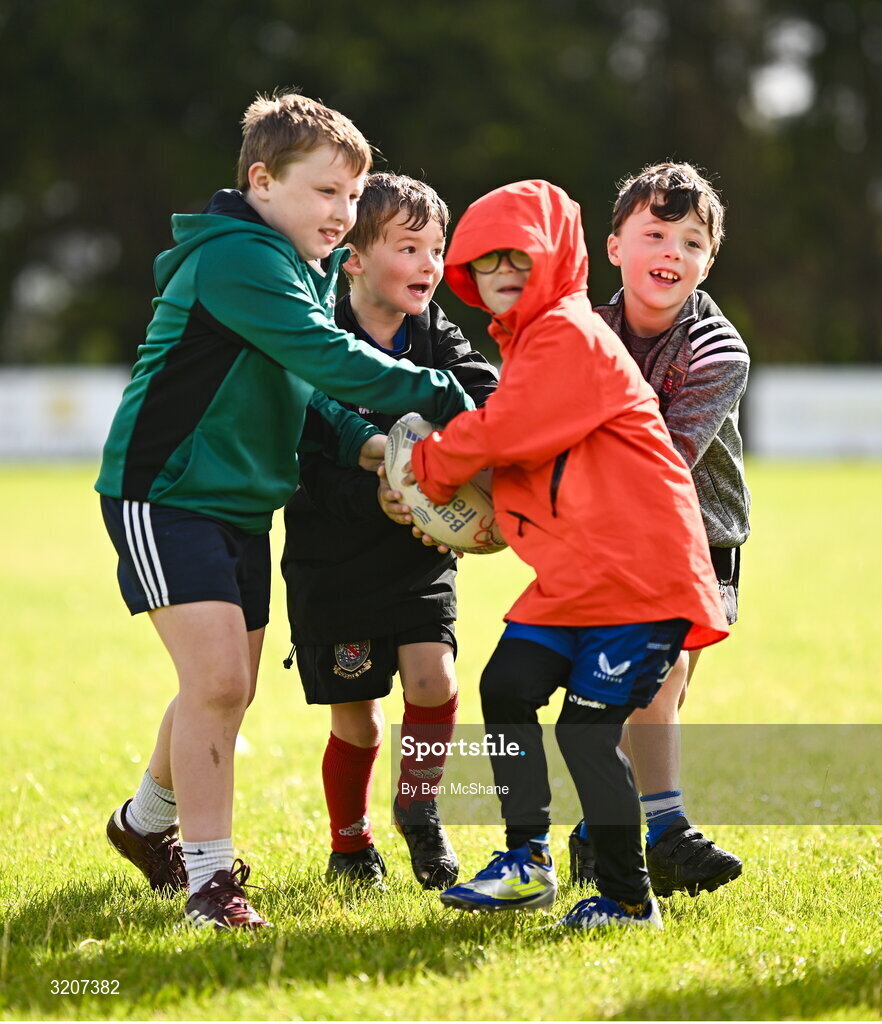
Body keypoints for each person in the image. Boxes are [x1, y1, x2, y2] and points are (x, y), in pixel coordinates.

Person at [96, 92, 473, 930]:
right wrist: (458, 404)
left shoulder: (289, 262)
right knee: (221, 682)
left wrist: (378, 451)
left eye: (351, 195)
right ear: (262, 181)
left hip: (236, 504)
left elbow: (308, 395)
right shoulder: (240, 259)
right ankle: (210, 883)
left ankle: (145, 823)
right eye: (324, 192)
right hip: (165, 494)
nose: (342, 212)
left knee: (222, 685)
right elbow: (332, 360)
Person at [406, 179, 729, 931]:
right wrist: (461, 507)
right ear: (470, 280)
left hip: (641, 581)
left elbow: (509, 431)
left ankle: (626, 899)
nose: (507, 270)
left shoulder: (568, 334)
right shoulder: (528, 344)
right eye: (488, 263)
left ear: (560, 257)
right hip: (578, 579)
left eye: (523, 254)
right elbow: (523, 461)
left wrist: (426, 466)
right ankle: (527, 860)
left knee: (586, 734)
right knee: (507, 687)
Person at [281, 172, 498, 891]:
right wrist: (371, 497)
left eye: (437, 249)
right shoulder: (316, 341)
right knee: (360, 724)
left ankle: (421, 813)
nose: (431, 266)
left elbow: (485, 393)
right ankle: (350, 845)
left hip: (418, 552)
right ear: (351, 258)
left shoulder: (438, 336)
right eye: (410, 248)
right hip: (332, 557)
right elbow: (302, 458)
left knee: (434, 680)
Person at [568, 162, 748, 898]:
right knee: (653, 678)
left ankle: (595, 832)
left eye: (691, 241)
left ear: (708, 261)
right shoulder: (581, 332)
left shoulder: (718, 349)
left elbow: (663, 462)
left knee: (657, 693)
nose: (672, 250)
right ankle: (667, 833)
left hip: (698, 536)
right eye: (654, 232)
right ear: (614, 246)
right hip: (606, 536)